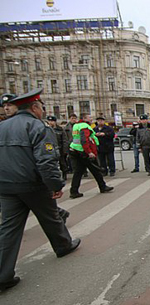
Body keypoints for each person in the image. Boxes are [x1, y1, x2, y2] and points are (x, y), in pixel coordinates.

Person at [0, 89, 80, 291]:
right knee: (51, 216)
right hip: (32, 184)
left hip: (6, 186)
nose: (43, 112)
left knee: (8, 229)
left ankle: (2, 275)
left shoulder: (2, 126)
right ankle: (63, 246)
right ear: (35, 107)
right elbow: (46, 161)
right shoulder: (37, 126)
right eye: (42, 108)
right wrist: (55, 185)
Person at [69, 113, 114, 199]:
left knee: (78, 172)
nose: (91, 119)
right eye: (90, 117)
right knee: (96, 170)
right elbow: (84, 140)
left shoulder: (76, 125)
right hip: (84, 152)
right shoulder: (84, 126)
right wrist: (89, 152)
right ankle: (103, 187)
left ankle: (74, 191)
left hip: (76, 150)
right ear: (84, 118)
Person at [47, 115, 69, 180]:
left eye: (52, 121)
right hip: (50, 149)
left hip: (60, 148)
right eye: (49, 121)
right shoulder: (46, 130)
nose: (51, 123)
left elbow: (64, 140)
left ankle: (64, 173)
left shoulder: (60, 129)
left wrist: (65, 150)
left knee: (62, 162)